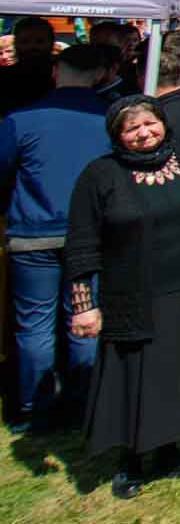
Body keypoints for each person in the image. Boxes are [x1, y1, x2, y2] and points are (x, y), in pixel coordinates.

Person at [65, 95, 180, 497]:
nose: (143, 133)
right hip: (132, 294)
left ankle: (169, 447)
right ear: (118, 135)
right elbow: (81, 244)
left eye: (149, 124)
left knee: (177, 371)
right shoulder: (100, 176)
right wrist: (84, 304)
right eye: (132, 129)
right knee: (137, 376)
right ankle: (132, 459)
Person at [0, 48, 112, 431]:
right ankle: (85, 401)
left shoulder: (21, 119)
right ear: (98, 74)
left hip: (34, 233)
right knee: (85, 316)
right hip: (89, 234)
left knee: (34, 323)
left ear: (55, 72)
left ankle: (34, 407)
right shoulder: (108, 117)